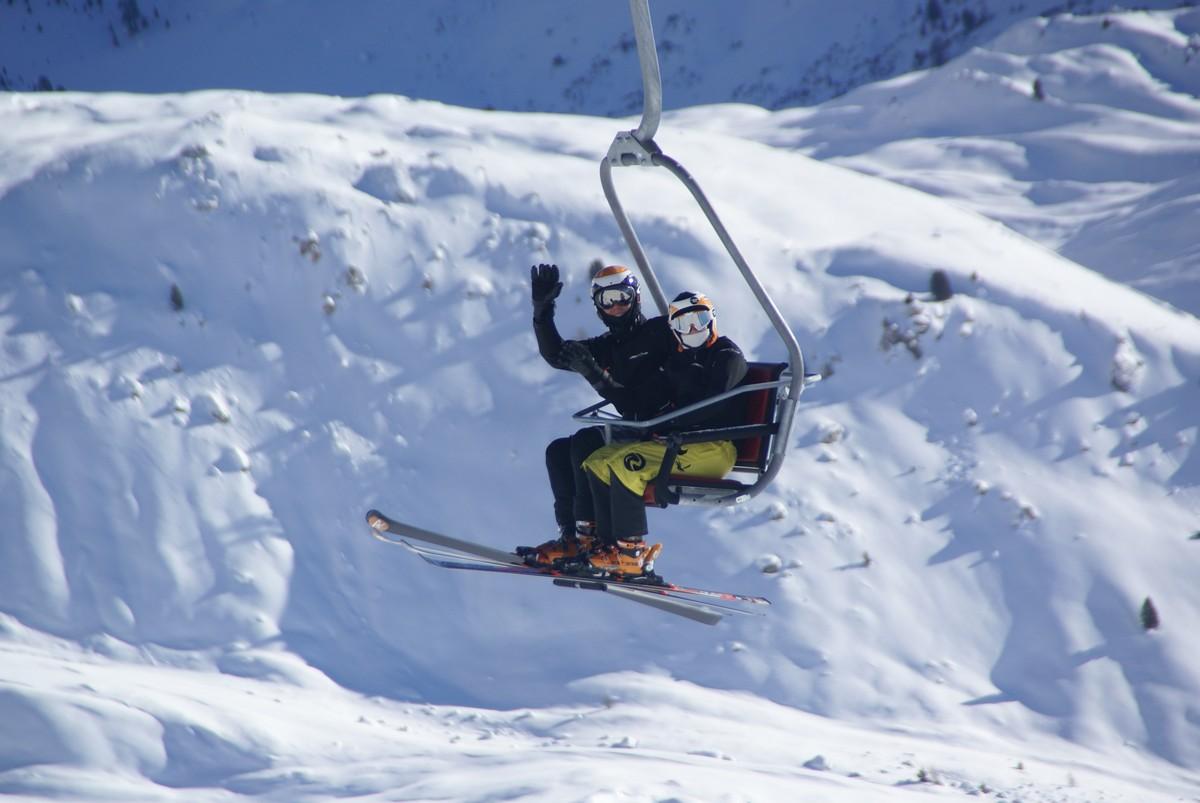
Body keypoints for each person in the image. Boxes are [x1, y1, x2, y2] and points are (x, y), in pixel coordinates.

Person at [578, 290, 749, 579]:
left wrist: (669, 426)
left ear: (713, 320)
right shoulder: (676, 361)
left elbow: (711, 404)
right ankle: (607, 547)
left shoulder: (726, 356)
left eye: (700, 319)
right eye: (684, 324)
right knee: (598, 461)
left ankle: (630, 552)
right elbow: (647, 400)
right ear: (673, 329)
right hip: (678, 443)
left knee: (626, 464)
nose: (694, 328)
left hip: (712, 446)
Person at [516, 263, 676, 566]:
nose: (616, 307)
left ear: (636, 298)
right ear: (598, 307)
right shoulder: (608, 346)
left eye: (623, 297)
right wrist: (542, 310)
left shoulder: (659, 333)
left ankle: (604, 542)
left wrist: (595, 374)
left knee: (585, 443)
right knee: (559, 451)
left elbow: (638, 403)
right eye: (607, 300)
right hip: (637, 429)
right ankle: (575, 538)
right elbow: (556, 354)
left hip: (663, 429)